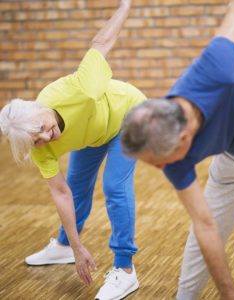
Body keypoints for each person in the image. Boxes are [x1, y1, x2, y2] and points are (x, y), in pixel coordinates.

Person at [121, 0, 234, 299]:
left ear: (183, 140)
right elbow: (205, 225)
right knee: (200, 234)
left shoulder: (217, 67)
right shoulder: (173, 156)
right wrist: (229, 293)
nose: (160, 170)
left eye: (158, 163)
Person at [0, 1, 145, 299]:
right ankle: (65, 246)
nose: (46, 136)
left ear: (38, 109)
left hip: (129, 114)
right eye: (36, 139)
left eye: (40, 127)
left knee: (114, 185)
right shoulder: (39, 147)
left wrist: (126, 5)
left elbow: (102, 42)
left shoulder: (78, 88)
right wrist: (79, 248)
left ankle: (126, 269)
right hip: (94, 134)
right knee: (76, 186)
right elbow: (61, 192)